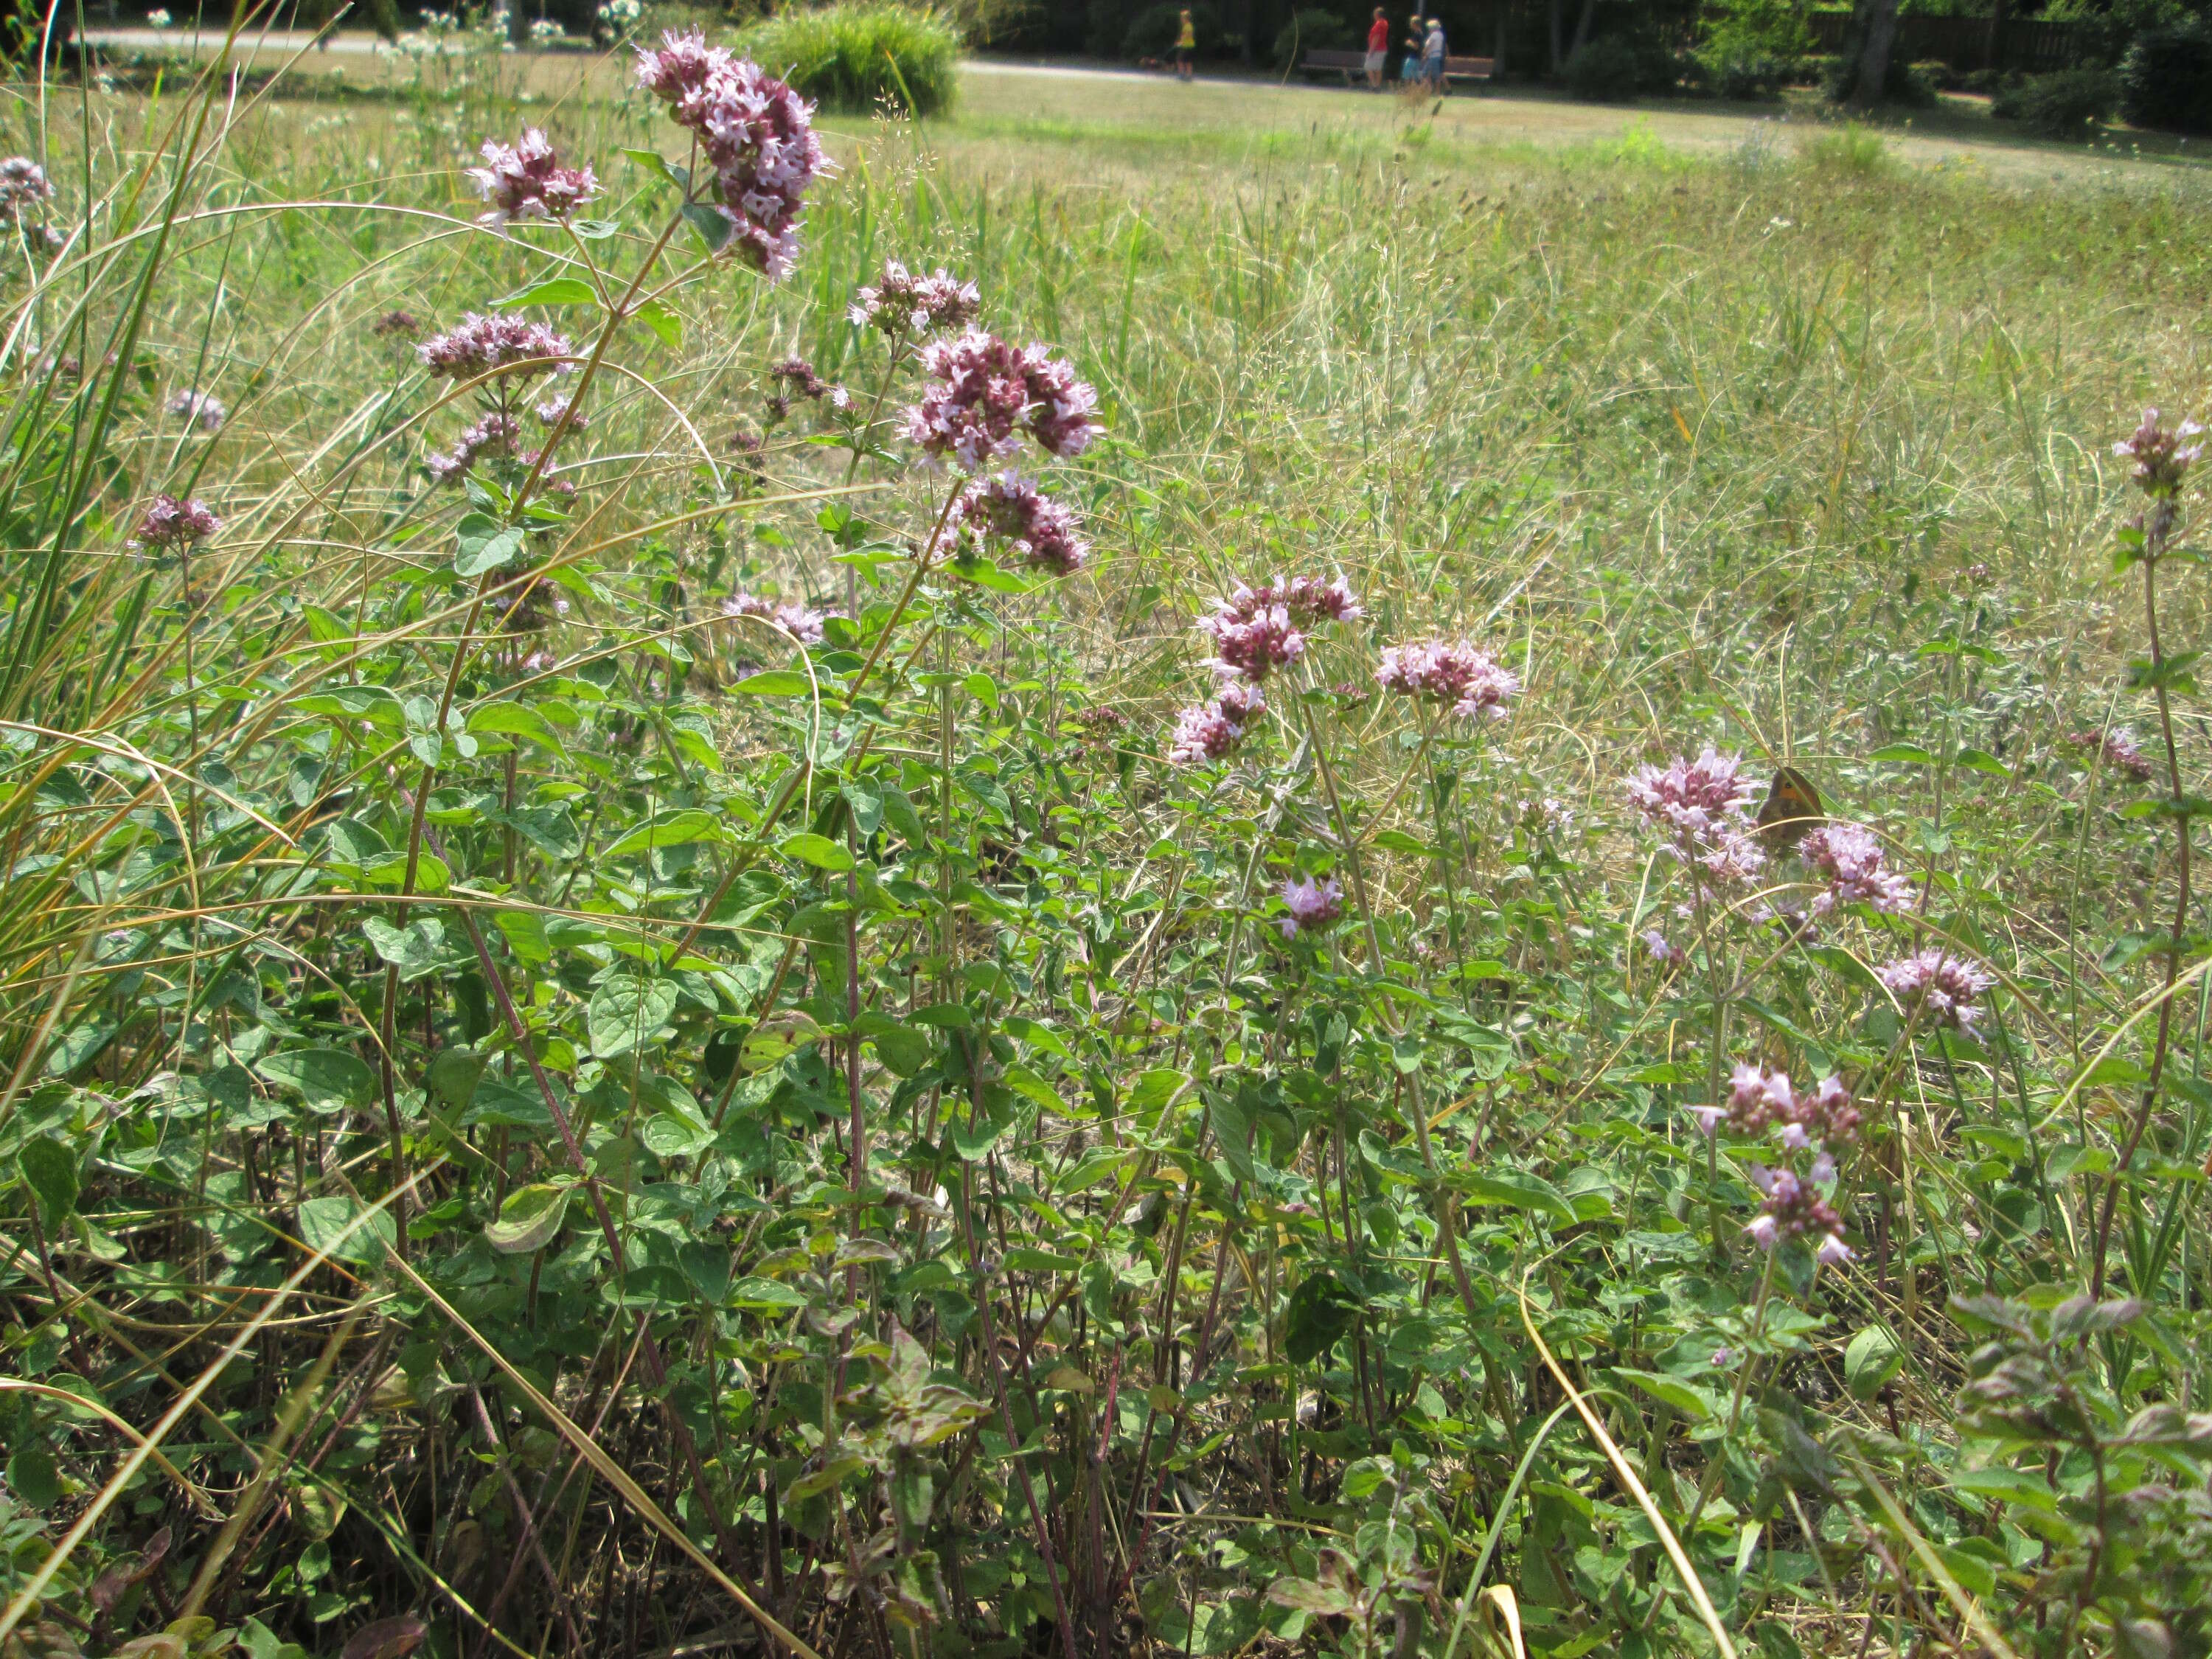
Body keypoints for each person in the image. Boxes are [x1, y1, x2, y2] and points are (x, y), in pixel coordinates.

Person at [1364, 6, 1389, 88]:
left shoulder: (1379, 24)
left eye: (1374, 14)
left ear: (1377, 15)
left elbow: (1376, 38)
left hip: (1377, 50)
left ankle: (1374, 85)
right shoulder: (1385, 22)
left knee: (1367, 67)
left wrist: (1370, 51)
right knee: (1378, 69)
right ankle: (1377, 85)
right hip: (1382, 49)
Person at [1421, 15, 1447, 93]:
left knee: (1425, 74)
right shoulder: (1441, 35)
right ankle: (1436, 92)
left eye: (1429, 28)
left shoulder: (1433, 35)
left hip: (1432, 57)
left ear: (1432, 28)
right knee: (1436, 75)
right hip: (1437, 56)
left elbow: (1429, 45)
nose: (1429, 29)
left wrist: (1424, 53)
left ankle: (1431, 89)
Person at [1173, 8, 1195, 78]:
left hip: (1187, 47)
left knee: (1180, 60)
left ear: (1186, 19)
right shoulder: (1187, 26)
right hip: (1187, 46)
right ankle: (1188, 75)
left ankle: (1182, 74)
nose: (1181, 20)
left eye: (1182, 18)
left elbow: (1189, 35)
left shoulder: (1188, 26)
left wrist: (1182, 40)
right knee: (1187, 61)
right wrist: (1180, 42)